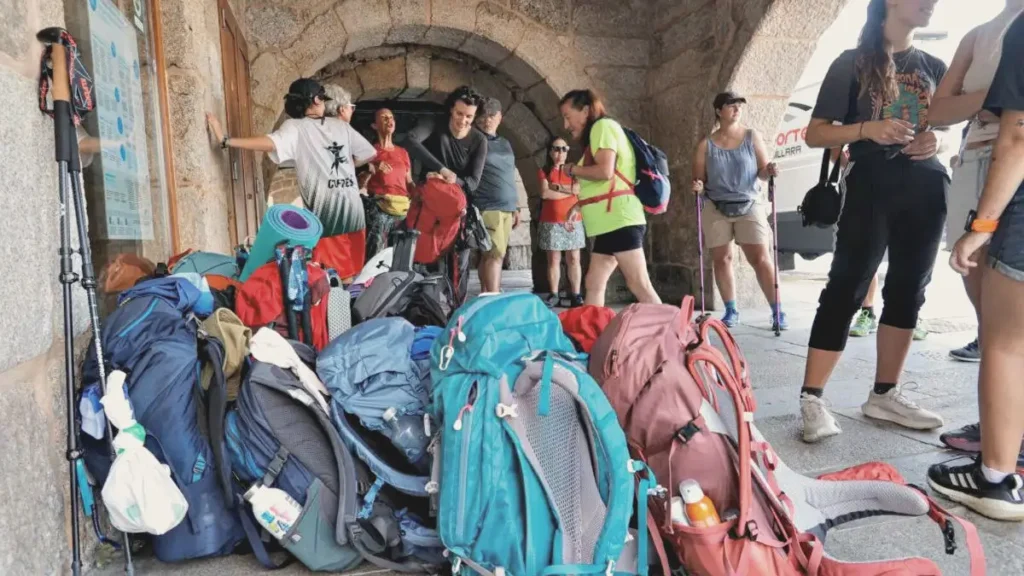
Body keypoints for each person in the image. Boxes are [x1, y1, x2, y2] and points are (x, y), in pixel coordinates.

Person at [797, 0, 950, 443]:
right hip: (871, 185)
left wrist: (936, 140)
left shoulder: (935, 65)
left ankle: (884, 394)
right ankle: (812, 398)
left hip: (926, 187)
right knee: (846, 285)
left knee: (909, 289)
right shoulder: (852, 63)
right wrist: (867, 129)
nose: (932, 3)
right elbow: (815, 132)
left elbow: (944, 123)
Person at [926, 11, 1024, 521]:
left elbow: (1017, 135)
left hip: (1003, 167)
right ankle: (1004, 433)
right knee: (997, 325)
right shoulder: (983, 32)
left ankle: (998, 466)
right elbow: (937, 109)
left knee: (1005, 338)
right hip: (983, 159)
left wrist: (982, 224)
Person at [205, 78, 377, 280]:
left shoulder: (295, 127)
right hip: (354, 212)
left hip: (328, 215)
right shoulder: (341, 127)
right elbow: (369, 153)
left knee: (331, 276)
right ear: (315, 99)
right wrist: (345, 168)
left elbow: (268, 143)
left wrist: (226, 140)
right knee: (352, 273)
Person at [930, 2, 1024, 364]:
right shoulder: (978, 34)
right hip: (975, 157)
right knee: (981, 297)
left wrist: (997, 100)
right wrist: (999, 94)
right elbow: (938, 112)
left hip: (1014, 159)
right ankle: (991, 417)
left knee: (1009, 316)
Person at [691, 91, 786, 330]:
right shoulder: (706, 145)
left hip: (749, 204)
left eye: (739, 105)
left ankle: (777, 311)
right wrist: (698, 186)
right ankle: (731, 310)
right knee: (722, 259)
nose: (736, 109)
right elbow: (699, 178)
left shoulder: (752, 137)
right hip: (716, 206)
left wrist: (770, 170)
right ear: (718, 111)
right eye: (731, 105)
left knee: (761, 258)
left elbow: (762, 172)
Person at [559, 89, 661, 307]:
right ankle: (591, 334)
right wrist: (579, 205)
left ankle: (674, 334)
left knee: (639, 284)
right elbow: (606, 182)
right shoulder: (602, 129)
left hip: (619, 220)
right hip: (610, 222)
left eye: (567, 116)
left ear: (585, 111)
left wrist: (572, 169)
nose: (566, 125)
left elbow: (605, 171)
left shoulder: (602, 127)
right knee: (594, 282)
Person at [405, 85, 488, 303]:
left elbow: (472, 183)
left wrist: (451, 179)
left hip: (457, 216)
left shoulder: (479, 140)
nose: (463, 121)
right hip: (428, 212)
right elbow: (410, 140)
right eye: (459, 113)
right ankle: (424, 313)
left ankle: (456, 314)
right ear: (451, 109)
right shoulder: (435, 124)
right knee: (424, 264)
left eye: (469, 116)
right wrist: (440, 169)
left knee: (458, 269)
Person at [473, 98, 521, 294]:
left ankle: (486, 294)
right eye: (483, 116)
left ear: (500, 117)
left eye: (492, 116)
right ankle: (493, 296)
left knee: (491, 255)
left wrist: (516, 206)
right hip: (487, 205)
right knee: (494, 254)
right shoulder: (474, 140)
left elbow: (509, 173)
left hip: (507, 206)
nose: (487, 120)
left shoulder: (505, 143)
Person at [361, 107, 414, 261]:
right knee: (376, 256)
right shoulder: (370, 151)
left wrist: (420, 194)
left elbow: (409, 181)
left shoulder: (402, 152)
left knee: (401, 255)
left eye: (391, 117)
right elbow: (361, 185)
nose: (389, 120)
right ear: (374, 125)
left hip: (402, 209)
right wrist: (373, 169)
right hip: (379, 209)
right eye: (384, 118)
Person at [538, 137, 585, 308]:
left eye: (564, 149)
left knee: (574, 258)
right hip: (551, 220)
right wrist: (569, 192)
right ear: (550, 152)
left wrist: (557, 188)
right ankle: (554, 293)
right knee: (554, 259)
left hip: (573, 221)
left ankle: (576, 294)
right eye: (556, 149)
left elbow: (579, 190)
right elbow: (545, 193)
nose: (560, 153)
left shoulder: (573, 170)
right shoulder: (544, 170)